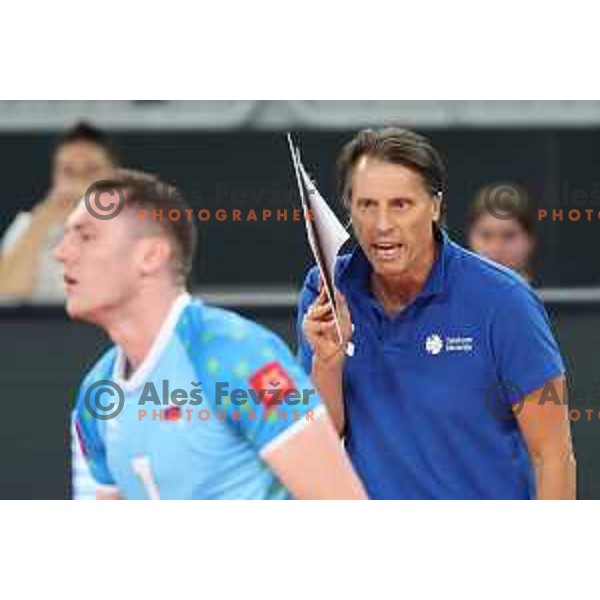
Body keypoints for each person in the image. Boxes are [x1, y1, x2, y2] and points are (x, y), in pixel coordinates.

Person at [297, 127, 575, 499]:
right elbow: (317, 451)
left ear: (435, 206)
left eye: (400, 204)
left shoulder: (506, 301)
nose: (382, 225)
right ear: (348, 209)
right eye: (367, 205)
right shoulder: (326, 292)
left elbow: (553, 455)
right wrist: (327, 365)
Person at [55, 169, 366, 500]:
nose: (62, 252)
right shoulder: (97, 394)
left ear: (149, 256)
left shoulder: (239, 357)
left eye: (86, 236)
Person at [0, 122, 117, 301]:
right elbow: (6, 292)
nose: (79, 181)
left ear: (112, 175)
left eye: (91, 171)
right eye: (69, 171)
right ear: (56, 176)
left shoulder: (138, 225)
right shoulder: (28, 225)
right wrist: (41, 222)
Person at [467, 182, 536, 283]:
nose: (496, 248)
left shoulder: (546, 297)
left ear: (530, 239)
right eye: (486, 235)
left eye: (509, 236)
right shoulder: (448, 296)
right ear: (471, 237)